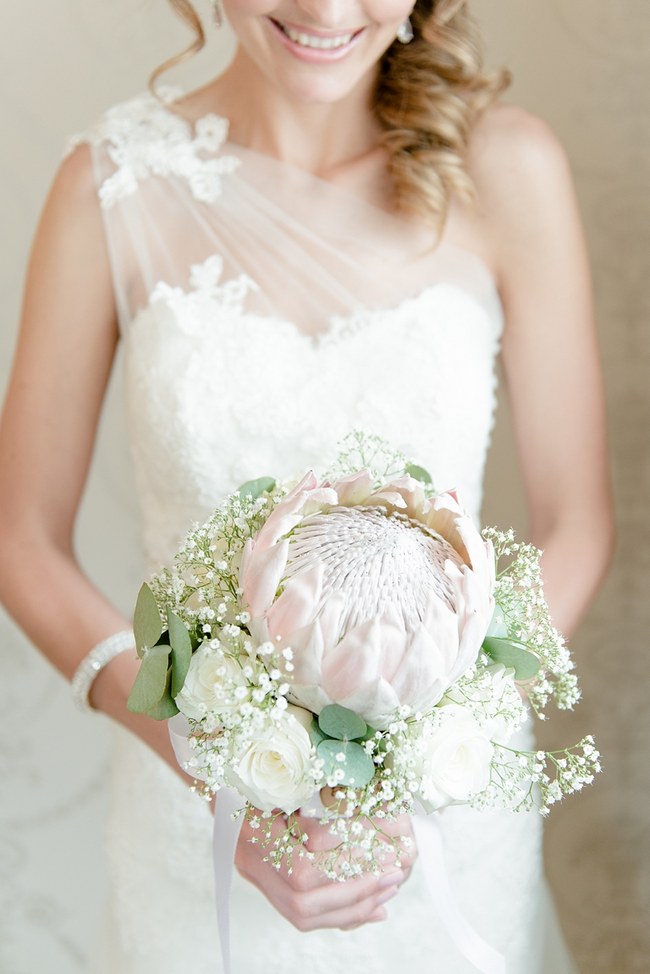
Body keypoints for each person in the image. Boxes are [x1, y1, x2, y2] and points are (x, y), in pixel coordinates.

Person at [0, 1, 613, 972]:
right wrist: (214, 766)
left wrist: (433, 743)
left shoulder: (508, 170)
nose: (326, 9)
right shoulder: (111, 186)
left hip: (446, 833)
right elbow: (21, 538)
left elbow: (576, 522)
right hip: (192, 840)